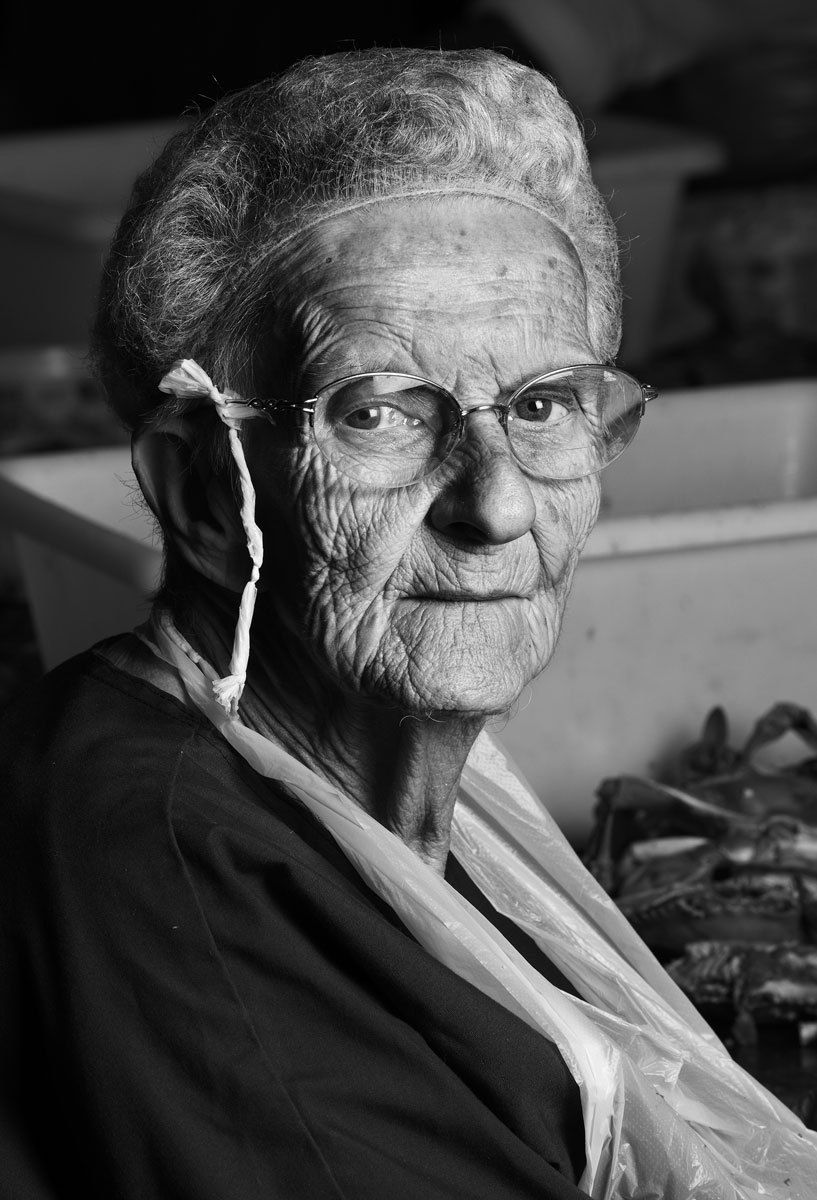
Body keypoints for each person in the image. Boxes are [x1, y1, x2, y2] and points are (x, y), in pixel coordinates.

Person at [1, 47, 814, 1200]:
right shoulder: (173, 870)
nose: (494, 504)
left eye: (542, 406)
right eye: (380, 412)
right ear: (202, 494)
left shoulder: (364, 784)